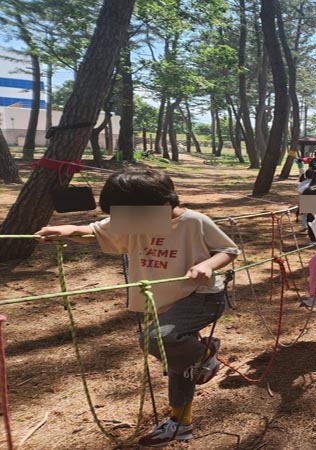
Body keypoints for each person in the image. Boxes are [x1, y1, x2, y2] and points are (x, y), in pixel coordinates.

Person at [36, 169, 239, 447]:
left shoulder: (194, 221)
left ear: (159, 204)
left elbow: (228, 250)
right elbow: (96, 232)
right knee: (179, 364)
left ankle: (205, 354)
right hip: (160, 300)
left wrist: (206, 265)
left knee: (159, 339)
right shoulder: (136, 220)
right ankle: (181, 423)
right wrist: (69, 231)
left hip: (199, 296)